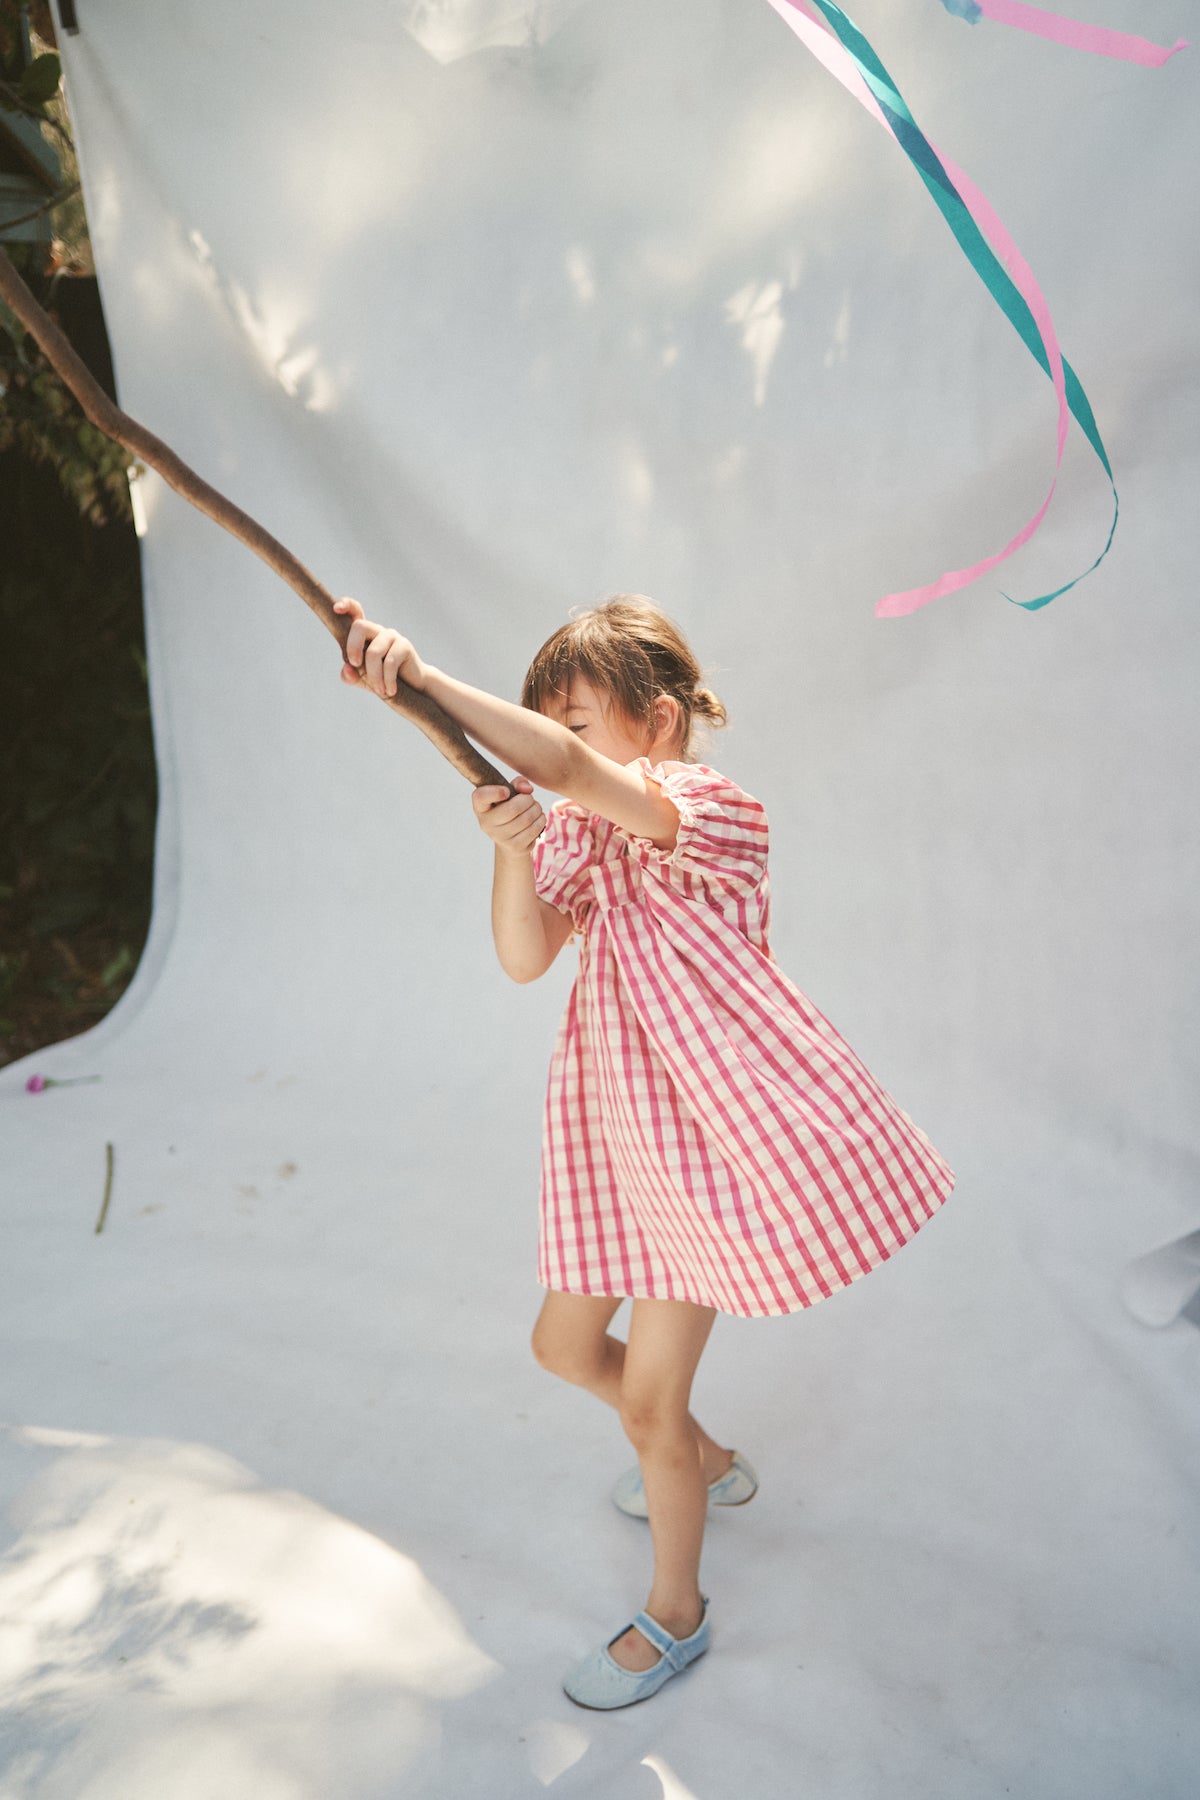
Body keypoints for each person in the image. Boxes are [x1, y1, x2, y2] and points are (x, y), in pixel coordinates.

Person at [333, 591, 956, 1710]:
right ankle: (708, 1463)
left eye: (575, 722)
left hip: (712, 1147)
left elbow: (570, 777)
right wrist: (511, 849)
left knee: (646, 1406)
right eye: (554, 727)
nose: (558, 749)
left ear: (657, 723)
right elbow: (525, 957)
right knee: (563, 1348)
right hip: (616, 1137)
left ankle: (678, 1609)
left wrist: (423, 678)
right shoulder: (578, 834)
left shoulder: (714, 813)